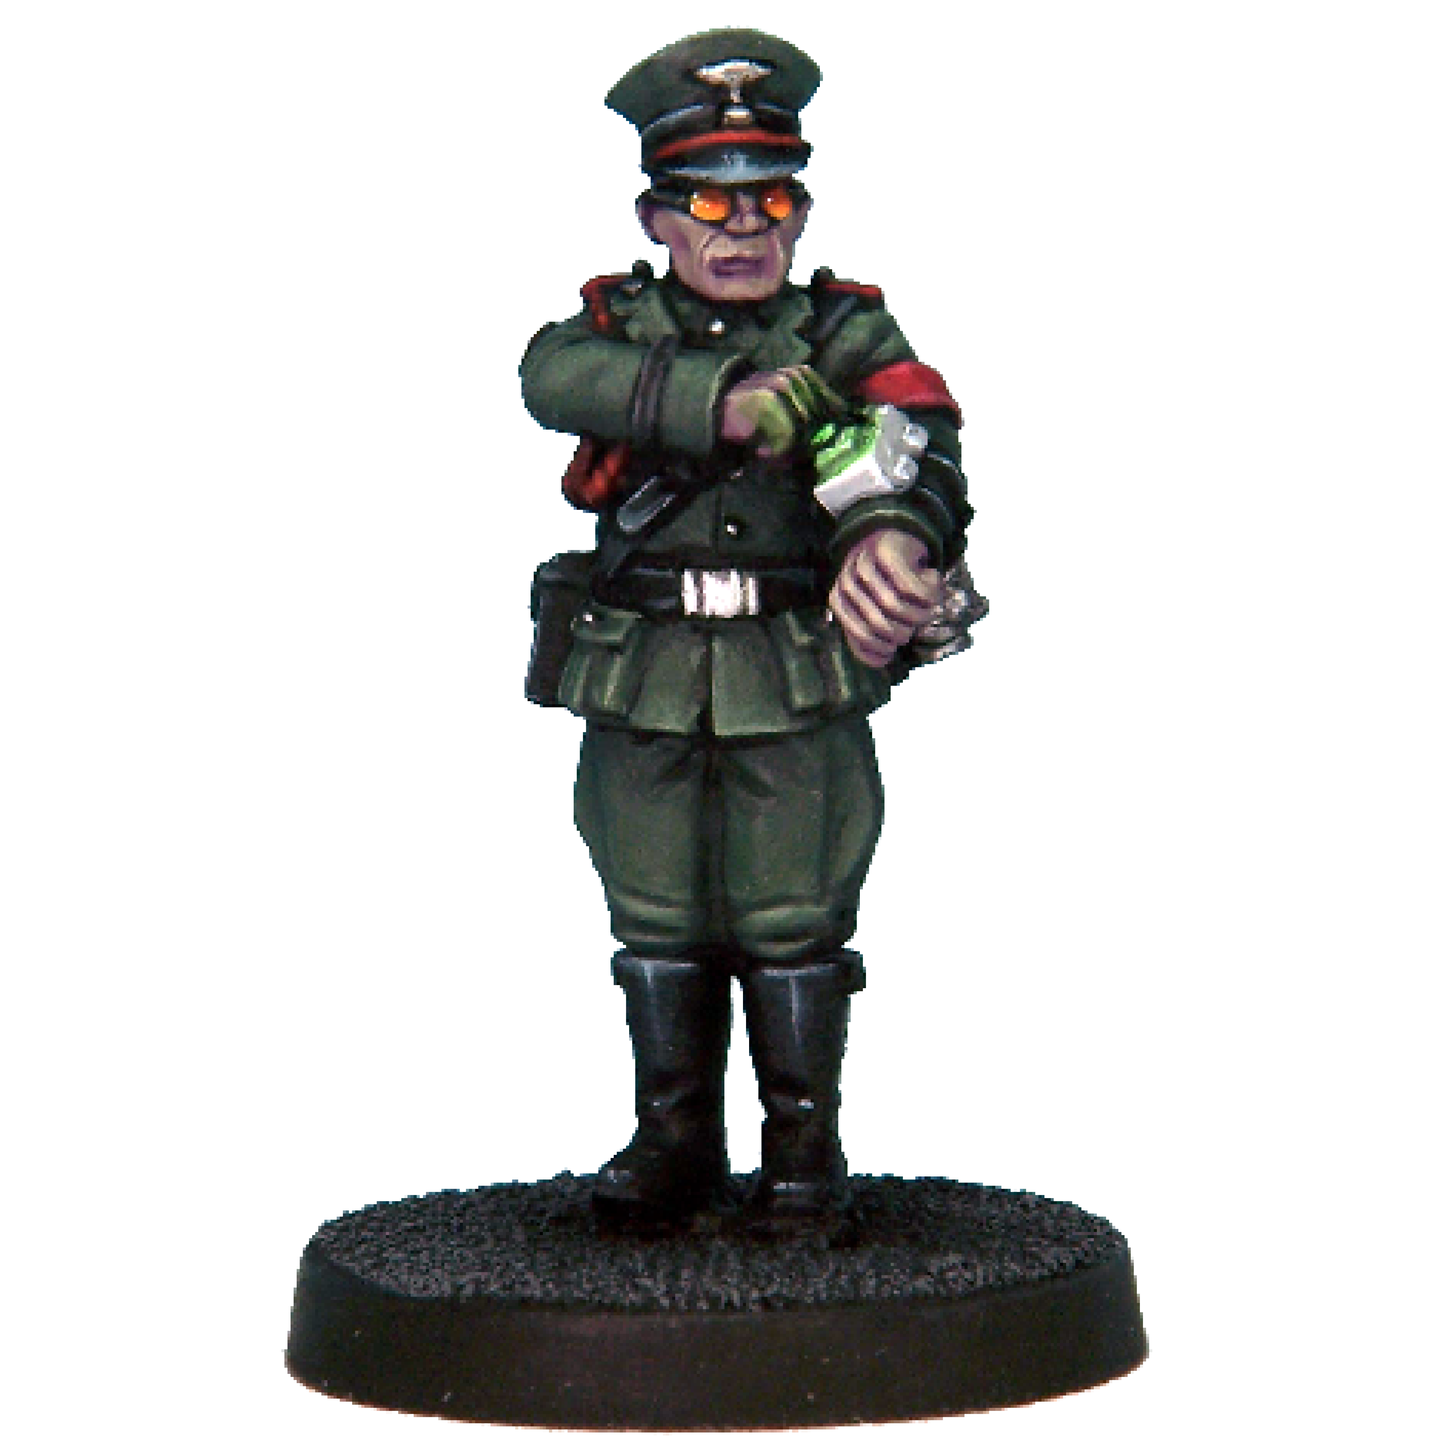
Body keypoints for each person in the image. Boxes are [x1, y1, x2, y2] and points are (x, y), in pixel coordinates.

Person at [519, 29, 973, 1234]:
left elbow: (918, 445)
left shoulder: (841, 337)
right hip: (644, 672)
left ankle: (801, 1158)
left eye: (767, 200)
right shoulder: (615, 327)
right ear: (656, 218)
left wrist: (894, 536)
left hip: (790, 670)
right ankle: (671, 1142)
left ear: (800, 212)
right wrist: (715, 403)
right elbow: (550, 378)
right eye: (708, 203)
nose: (739, 229)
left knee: (791, 920)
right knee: (654, 914)